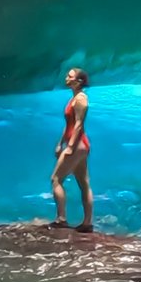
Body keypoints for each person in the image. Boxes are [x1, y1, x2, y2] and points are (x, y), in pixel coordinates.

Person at [50, 66, 93, 230]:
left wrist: (70, 147)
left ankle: (61, 219)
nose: (66, 78)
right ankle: (87, 223)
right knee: (83, 183)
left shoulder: (81, 98)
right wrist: (60, 143)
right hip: (76, 144)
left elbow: (79, 125)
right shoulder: (73, 98)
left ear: (79, 81)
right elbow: (68, 124)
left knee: (56, 179)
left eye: (70, 76)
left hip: (78, 144)